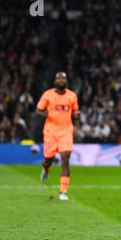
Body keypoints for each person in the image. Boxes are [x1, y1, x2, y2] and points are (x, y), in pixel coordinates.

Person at [36, 72, 79, 201]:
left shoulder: (72, 96)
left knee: (65, 159)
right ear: (55, 81)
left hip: (66, 131)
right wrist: (47, 115)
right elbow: (38, 109)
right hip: (50, 132)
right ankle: (46, 168)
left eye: (63, 78)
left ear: (66, 81)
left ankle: (63, 191)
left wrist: (76, 115)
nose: (61, 80)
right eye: (59, 78)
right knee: (49, 158)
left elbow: (75, 111)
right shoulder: (48, 95)